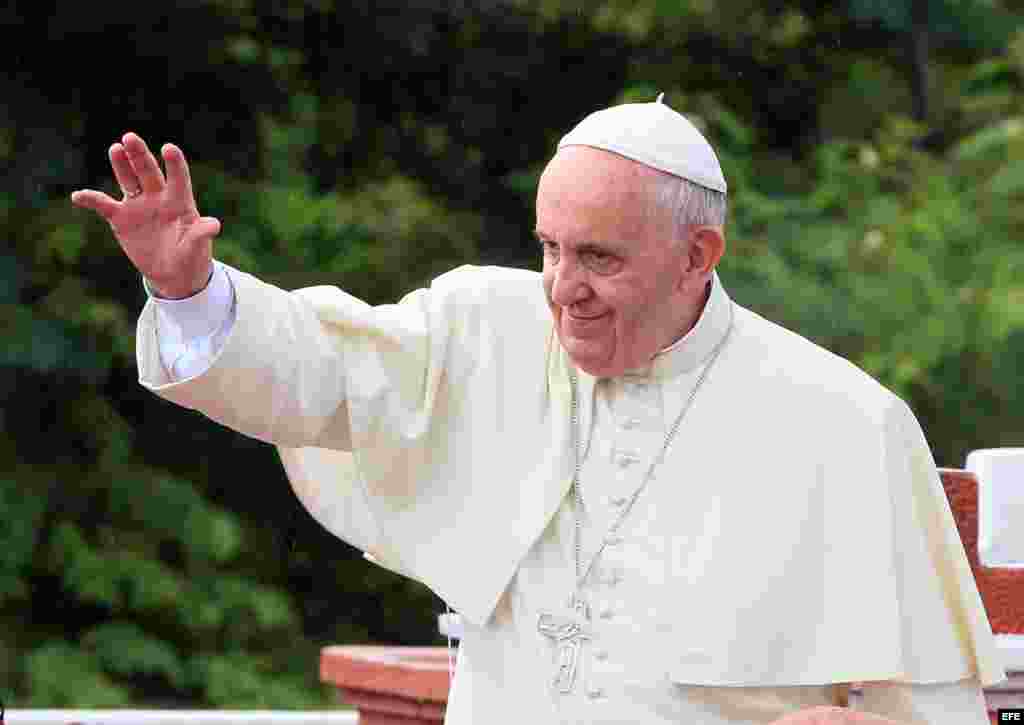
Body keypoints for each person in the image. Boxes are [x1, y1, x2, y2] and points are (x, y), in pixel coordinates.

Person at [71, 98, 1004, 724]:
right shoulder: (487, 324)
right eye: (549, 248)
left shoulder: (845, 424)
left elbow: (930, 713)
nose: (563, 289)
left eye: (599, 257)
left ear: (697, 255)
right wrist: (189, 287)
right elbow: (320, 375)